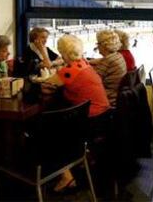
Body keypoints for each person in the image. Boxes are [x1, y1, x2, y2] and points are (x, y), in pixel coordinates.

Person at [42, 34, 110, 192]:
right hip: (103, 116)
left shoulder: (69, 71)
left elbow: (47, 84)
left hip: (91, 121)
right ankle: (75, 161)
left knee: (47, 131)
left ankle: (66, 176)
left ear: (64, 53)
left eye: (60, 51)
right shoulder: (84, 63)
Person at [89, 30, 127, 105]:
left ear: (105, 46)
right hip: (116, 96)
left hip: (108, 100)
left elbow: (93, 81)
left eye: (98, 43)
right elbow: (102, 61)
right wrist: (89, 62)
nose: (97, 46)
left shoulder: (108, 61)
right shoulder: (118, 55)